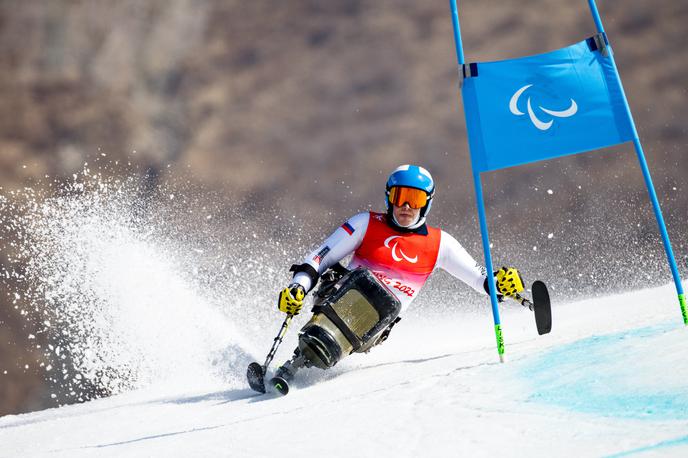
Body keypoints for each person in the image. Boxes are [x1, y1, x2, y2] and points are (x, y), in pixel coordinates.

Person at [273, 164, 524, 387]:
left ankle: (305, 359)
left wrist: (501, 282)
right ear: (389, 197)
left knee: (381, 298)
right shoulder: (365, 223)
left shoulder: (441, 243)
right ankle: (297, 362)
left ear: (426, 203)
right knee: (361, 281)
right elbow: (319, 257)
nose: (405, 206)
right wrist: (298, 287)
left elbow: (480, 279)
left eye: (414, 199)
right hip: (338, 300)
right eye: (399, 196)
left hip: (374, 323)